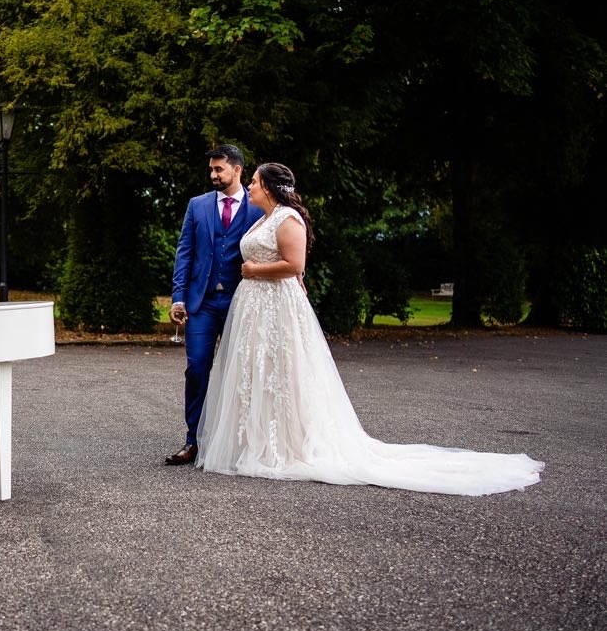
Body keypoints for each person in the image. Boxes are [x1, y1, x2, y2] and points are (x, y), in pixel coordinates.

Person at [195, 163, 544, 495]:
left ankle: (284, 446)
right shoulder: (264, 218)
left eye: (255, 181)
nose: (251, 186)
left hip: (276, 307)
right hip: (256, 307)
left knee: (283, 374)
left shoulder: (288, 218)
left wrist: (255, 271)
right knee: (257, 372)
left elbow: (294, 264)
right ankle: (255, 441)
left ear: (269, 187)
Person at [165, 144, 265, 465]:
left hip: (242, 301)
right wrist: (178, 296)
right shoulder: (197, 206)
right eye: (211, 169)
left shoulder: (257, 207)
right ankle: (193, 440)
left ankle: (240, 443)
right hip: (202, 302)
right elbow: (185, 252)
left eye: (219, 169)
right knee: (196, 370)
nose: (213, 175)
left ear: (237, 170)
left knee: (243, 373)